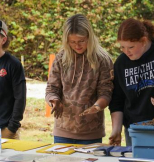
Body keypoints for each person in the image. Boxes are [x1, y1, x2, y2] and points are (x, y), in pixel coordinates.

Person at [109, 18, 154, 146]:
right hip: (135, 130)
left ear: (143, 41)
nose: (127, 52)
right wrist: (116, 130)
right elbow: (117, 101)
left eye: (131, 47)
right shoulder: (121, 63)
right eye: (122, 47)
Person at [45, 14, 113, 144]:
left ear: (90, 37)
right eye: (72, 42)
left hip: (91, 132)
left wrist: (97, 106)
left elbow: (106, 91)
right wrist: (54, 101)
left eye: (82, 41)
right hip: (63, 130)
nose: (77, 45)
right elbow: (52, 87)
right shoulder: (61, 58)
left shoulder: (102, 59)